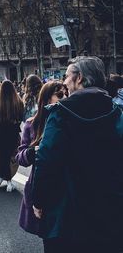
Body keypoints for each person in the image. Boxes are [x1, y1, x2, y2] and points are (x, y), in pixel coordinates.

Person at [32, 57, 123, 253]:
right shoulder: (117, 112)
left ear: (79, 78)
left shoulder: (60, 113)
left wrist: (38, 199)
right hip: (109, 212)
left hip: (67, 213)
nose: (64, 82)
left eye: (66, 76)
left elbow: (46, 161)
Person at [17, 81, 65, 238]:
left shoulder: (69, 120)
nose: (64, 98)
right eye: (59, 95)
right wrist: (32, 152)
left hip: (66, 187)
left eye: (66, 94)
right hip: (40, 187)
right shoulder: (32, 124)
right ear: (46, 98)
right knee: (47, 234)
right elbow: (21, 157)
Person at [0, 80, 23, 192]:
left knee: (2, 156)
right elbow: (21, 118)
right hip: (13, 133)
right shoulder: (19, 103)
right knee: (11, 157)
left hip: (0, 134)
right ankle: (8, 181)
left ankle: (3, 179)